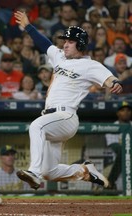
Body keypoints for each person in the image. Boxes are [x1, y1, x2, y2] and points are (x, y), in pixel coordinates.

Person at [13, 11, 123, 190]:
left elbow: (109, 79)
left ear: (80, 44)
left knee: (36, 126)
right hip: (52, 120)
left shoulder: (90, 65)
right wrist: (27, 26)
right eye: (65, 41)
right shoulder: (59, 57)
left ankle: (33, 172)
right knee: (49, 172)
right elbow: (44, 43)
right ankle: (85, 171)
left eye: (70, 41)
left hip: (66, 116)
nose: (65, 44)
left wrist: (115, 83)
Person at [105, 101, 132, 190]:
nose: (126, 112)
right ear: (118, 113)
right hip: (119, 168)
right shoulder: (111, 127)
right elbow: (115, 147)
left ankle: (109, 183)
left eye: (128, 110)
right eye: (122, 110)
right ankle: (111, 182)